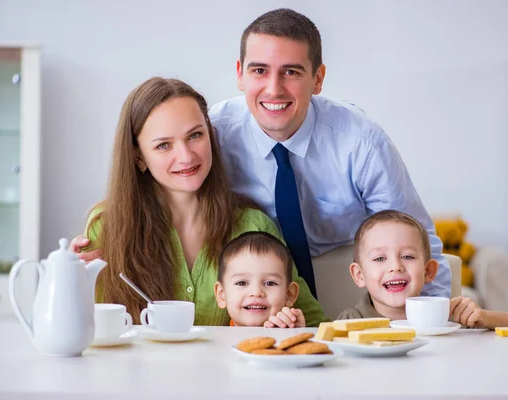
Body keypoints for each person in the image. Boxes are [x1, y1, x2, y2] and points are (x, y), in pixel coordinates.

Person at [209, 8, 451, 298]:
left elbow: (418, 242)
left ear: (318, 78)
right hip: (253, 295)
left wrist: (428, 329)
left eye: (291, 72)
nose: (274, 89)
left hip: (351, 291)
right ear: (240, 74)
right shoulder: (213, 134)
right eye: (259, 70)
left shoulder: (362, 143)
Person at [79, 77, 326, 326]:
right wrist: (69, 283)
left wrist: (293, 326)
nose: (186, 156)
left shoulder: (253, 225)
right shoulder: (106, 226)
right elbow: (87, 329)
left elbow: (316, 325)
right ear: (138, 157)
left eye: (195, 135)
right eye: (164, 145)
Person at [337, 210, 508, 329]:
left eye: (407, 257)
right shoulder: (350, 322)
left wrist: (484, 317)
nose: (395, 267)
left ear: (429, 271)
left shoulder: (447, 315)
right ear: (359, 275)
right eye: (380, 258)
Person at [214, 231, 305, 328]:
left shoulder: (292, 332)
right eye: (242, 283)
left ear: (289, 294)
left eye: (270, 283)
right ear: (222, 295)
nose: (256, 292)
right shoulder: (216, 340)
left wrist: (297, 334)